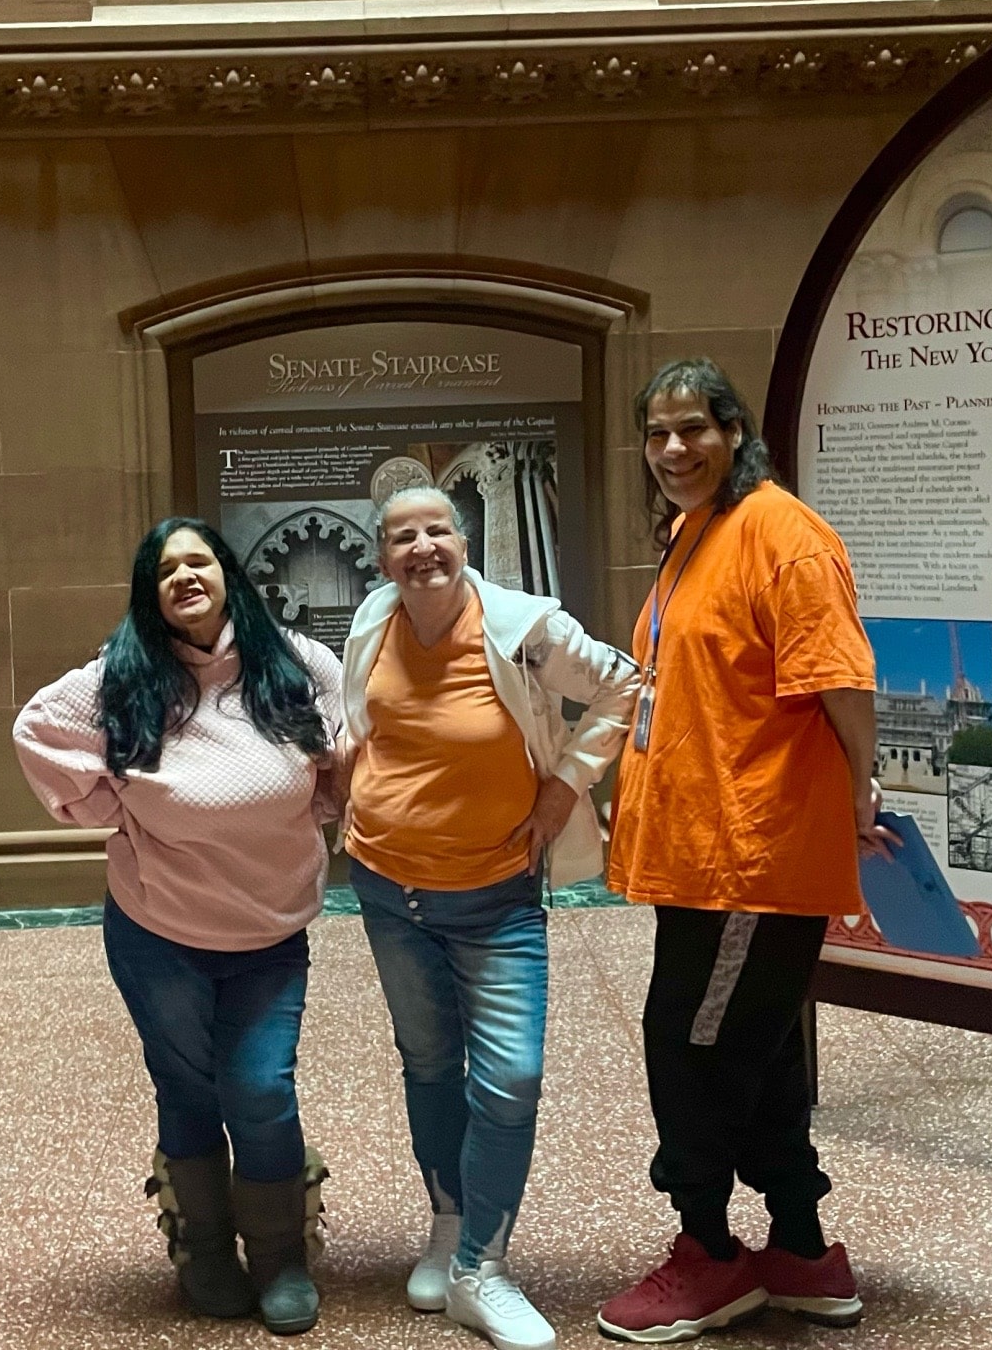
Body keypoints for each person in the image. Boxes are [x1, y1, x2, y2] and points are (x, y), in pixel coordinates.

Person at [595, 359, 892, 1342]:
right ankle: (800, 1246)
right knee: (755, 1048)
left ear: (734, 432)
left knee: (691, 1044)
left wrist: (861, 788)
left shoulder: (780, 532)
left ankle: (709, 1253)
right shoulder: (695, 532)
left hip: (748, 857)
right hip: (702, 851)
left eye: (694, 427)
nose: (673, 448)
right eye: (657, 433)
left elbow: (841, 679)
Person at [13, 517, 343, 1336]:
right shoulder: (123, 675)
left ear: (228, 573)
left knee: (260, 1090)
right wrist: (109, 804)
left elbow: (344, 755)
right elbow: (35, 729)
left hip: (270, 932)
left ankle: (280, 1254)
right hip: (158, 932)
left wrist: (314, 817)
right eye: (166, 571)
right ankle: (204, 1248)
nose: (185, 578)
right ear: (150, 593)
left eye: (198, 562)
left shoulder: (297, 664)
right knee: (188, 1088)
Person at [342, 484, 637, 1350]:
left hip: (496, 895)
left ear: (463, 542)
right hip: (388, 889)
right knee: (430, 1064)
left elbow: (623, 684)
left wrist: (566, 785)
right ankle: (450, 1228)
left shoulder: (523, 628)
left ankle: (483, 1269)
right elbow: (363, 724)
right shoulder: (373, 620)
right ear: (382, 557)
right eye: (403, 537)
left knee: (510, 1078)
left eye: (436, 530)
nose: (422, 548)